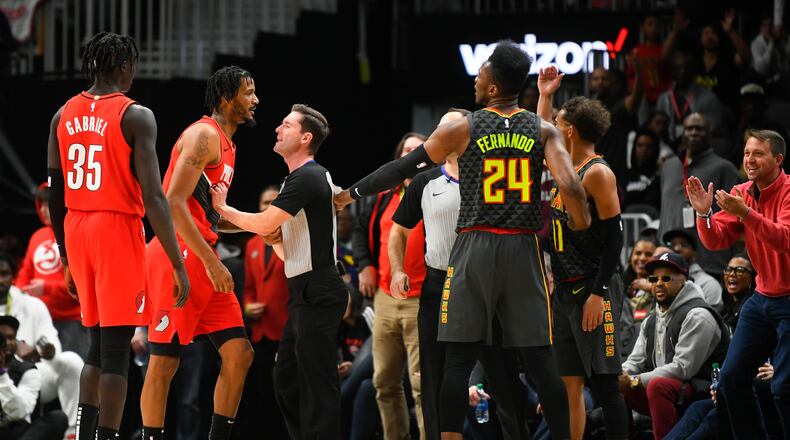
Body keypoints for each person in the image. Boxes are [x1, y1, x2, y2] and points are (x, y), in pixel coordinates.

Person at [335, 40, 590, 440]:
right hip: (522, 250)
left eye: (481, 72)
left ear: (492, 88)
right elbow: (572, 186)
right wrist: (581, 223)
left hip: (473, 248)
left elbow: (401, 167)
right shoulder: (543, 130)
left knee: (455, 362)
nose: (475, 76)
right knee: (540, 361)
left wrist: (350, 194)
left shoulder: (464, 127)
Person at [45, 32, 189, 440]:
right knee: (115, 355)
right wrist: (177, 262)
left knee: (95, 347)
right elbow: (155, 197)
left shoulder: (62, 114)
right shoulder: (135, 115)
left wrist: (65, 254)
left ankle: (85, 433)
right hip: (115, 228)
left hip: (76, 226)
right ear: (124, 66)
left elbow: (56, 193)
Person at [210, 104, 346, 440]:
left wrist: (222, 207)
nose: (277, 129)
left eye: (286, 125)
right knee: (286, 380)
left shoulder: (308, 176)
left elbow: (264, 222)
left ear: (305, 137)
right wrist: (272, 240)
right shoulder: (297, 180)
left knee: (317, 385)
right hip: (303, 290)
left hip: (319, 288)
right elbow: (282, 243)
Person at [141, 65, 257, 440]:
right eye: (248, 92)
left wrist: (263, 227)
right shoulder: (204, 135)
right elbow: (172, 201)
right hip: (180, 257)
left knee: (239, 354)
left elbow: (205, 216)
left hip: (201, 254)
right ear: (227, 98)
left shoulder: (227, 143)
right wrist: (211, 262)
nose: (255, 100)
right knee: (164, 362)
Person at [537, 67, 628, 440]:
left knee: (606, 386)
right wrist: (545, 95)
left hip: (594, 289)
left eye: (559, 122)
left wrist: (597, 293)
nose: (553, 127)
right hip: (564, 290)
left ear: (570, 131)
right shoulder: (564, 166)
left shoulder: (597, 174)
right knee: (570, 385)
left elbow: (615, 241)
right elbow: (538, 134)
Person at [687, 129, 790, 438]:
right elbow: (716, 239)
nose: (749, 159)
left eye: (758, 153)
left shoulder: (787, 191)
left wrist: (746, 213)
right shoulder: (742, 191)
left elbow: (784, 239)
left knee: (784, 388)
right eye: (746, 153)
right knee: (730, 380)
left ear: (778, 159)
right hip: (762, 296)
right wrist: (704, 214)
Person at [352, 131, 428, 440]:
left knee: (422, 384)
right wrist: (365, 266)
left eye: (417, 150)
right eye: (406, 150)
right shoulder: (384, 195)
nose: (411, 155)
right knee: (383, 382)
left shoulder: (436, 190)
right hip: (385, 296)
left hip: (422, 298)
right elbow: (359, 230)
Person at [620, 252, 728, 440]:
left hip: (704, 393)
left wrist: (633, 380)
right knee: (617, 387)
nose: (659, 283)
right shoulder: (651, 320)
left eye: (666, 277)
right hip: (670, 391)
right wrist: (620, 376)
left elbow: (682, 368)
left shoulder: (698, 315)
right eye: (654, 278)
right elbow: (635, 360)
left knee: (657, 385)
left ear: (684, 280)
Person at [658, 112, 741, 276]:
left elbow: (737, 217)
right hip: (670, 262)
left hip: (711, 263)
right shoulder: (668, 167)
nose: (693, 133)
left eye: (699, 129)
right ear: (682, 132)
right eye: (689, 128)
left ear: (709, 135)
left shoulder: (724, 168)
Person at [237, 185, 289, 440]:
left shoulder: (292, 238)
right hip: (260, 331)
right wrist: (248, 306)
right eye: (263, 203)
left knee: (286, 391)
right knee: (261, 393)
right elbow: (248, 287)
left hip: (286, 329)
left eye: (272, 203)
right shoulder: (252, 244)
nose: (267, 208)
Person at [15, 184, 86, 358]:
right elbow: (25, 272)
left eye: (49, 203)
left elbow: (82, 283)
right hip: (40, 321)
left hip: (72, 320)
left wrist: (47, 288)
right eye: (42, 204)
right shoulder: (37, 237)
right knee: (43, 376)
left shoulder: (75, 233)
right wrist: (18, 292)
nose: (45, 209)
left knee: (75, 373)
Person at [0, 315, 68, 440]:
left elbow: (19, 412)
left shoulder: (29, 371)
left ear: (17, 341)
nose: (7, 343)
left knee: (58, 418)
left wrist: (1, 375)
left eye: (10, 338)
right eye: (2, 339)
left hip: (18, 433)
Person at [661, 228, 723, 311]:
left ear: (695, 254)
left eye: (684, 245)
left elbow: (708, 320)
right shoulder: (658, 281)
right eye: (672, 245)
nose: (676, 249)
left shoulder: (708, 284)